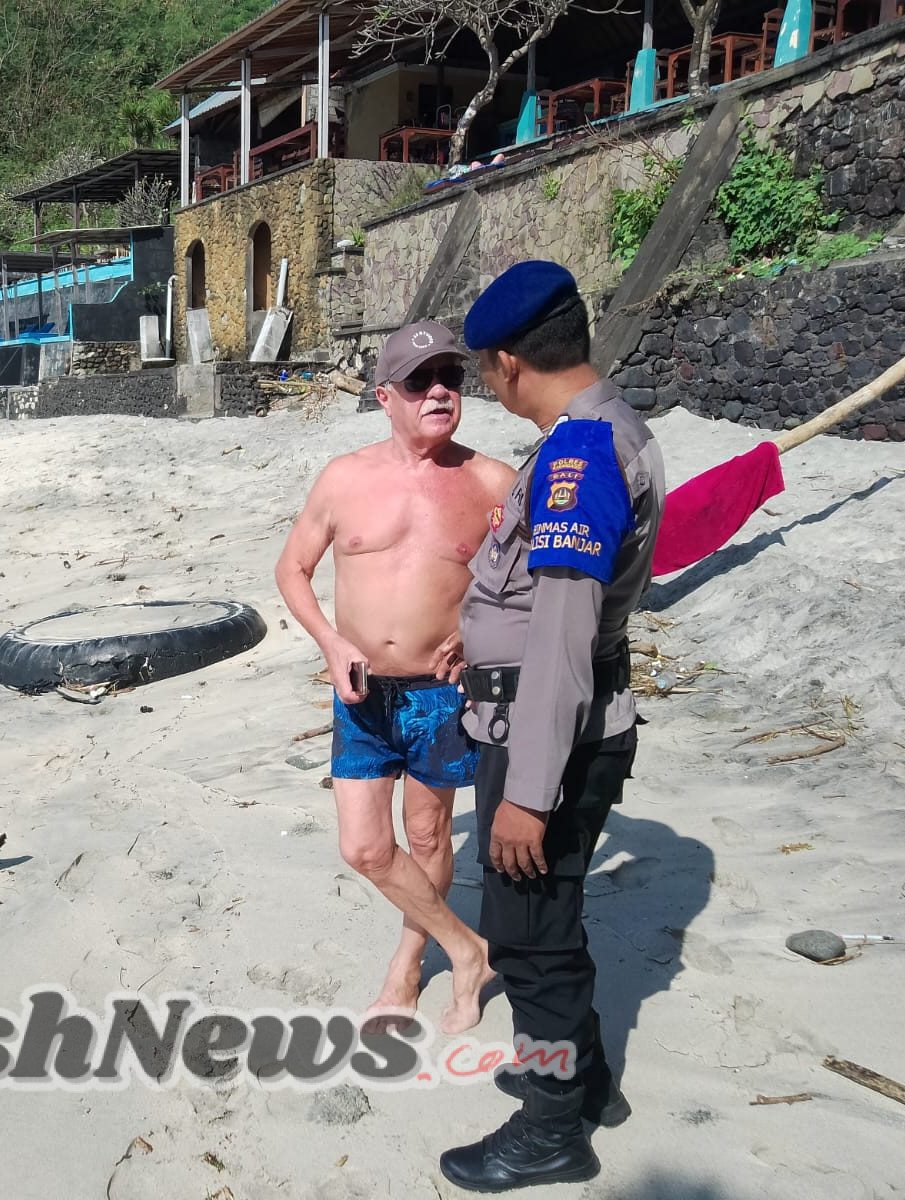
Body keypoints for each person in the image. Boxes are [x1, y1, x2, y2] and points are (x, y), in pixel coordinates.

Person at [435, 262, 664, 1192]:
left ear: (505, 363)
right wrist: (477, 640)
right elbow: (535, 603)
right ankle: (581, 1078)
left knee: (528, 934)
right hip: (536, 711)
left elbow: (566, 635)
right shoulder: (603, 427)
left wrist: (527, 796)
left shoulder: (577, 455)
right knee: (547, 919)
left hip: (548, 735)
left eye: (483, 375)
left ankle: (552, 1130)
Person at [275, 320, 514, 1036]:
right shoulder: (344, 478)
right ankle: (468, 948)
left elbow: (526, 584)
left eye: (451, 378)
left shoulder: (492, 481)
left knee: (430, 835)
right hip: (361, 690)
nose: (439, 391)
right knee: (367, 849)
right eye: (420, 382)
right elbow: (292, 569)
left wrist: (476, 632)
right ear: (386, 396)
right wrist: (328, 639)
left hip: (443, 694)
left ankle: (409, 966)